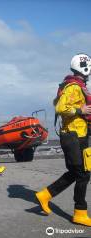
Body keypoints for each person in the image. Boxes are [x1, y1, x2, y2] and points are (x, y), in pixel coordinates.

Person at [35, 53, 91, 226]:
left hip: (79, 135)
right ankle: (80, 213)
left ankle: (45, 195)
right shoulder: (74, 87)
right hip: (75, 136)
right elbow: (61, 107)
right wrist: (79, 111)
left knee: (78, 172)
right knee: (83, 174)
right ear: (85, 68)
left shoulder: (76, 85)